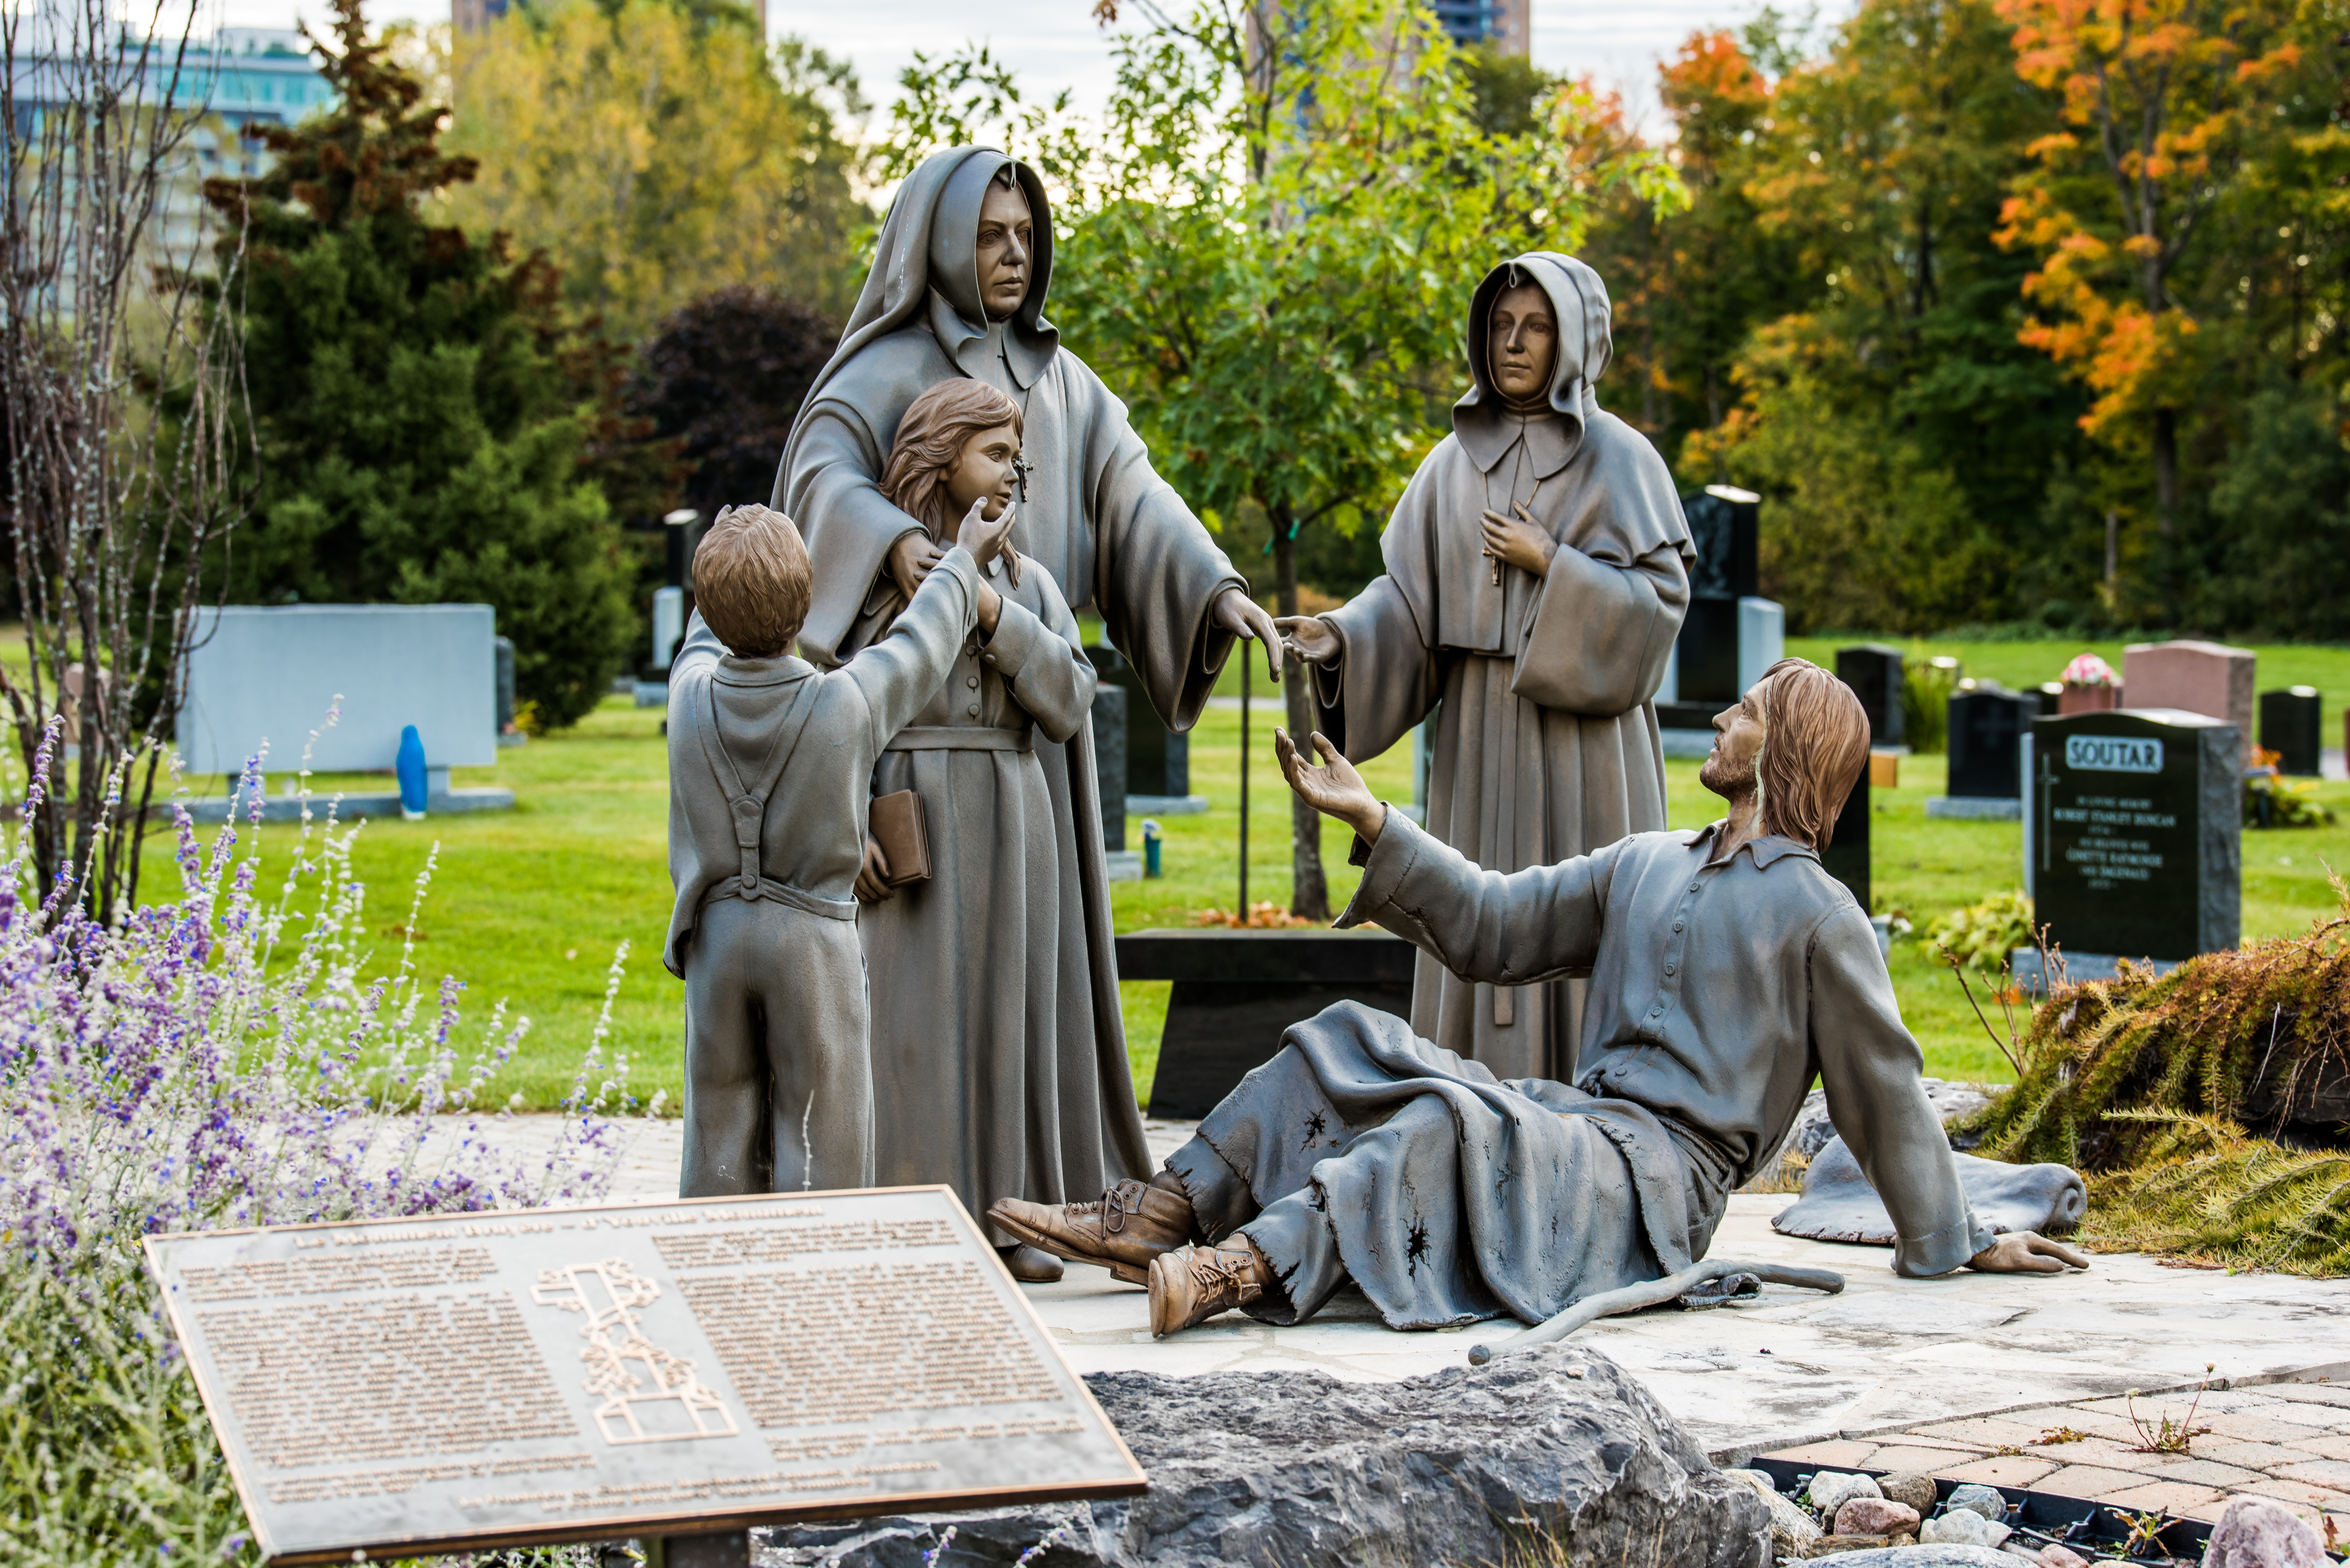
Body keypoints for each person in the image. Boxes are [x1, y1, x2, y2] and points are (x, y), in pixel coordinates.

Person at [991, 659, 2088, 1337]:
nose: (1724, 721)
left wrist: (1947, 1236)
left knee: (1443, 1122)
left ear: (1789, 747)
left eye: (1748, 711)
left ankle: (1243, 1268)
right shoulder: (1647, 862)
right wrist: (1376, 823)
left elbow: (1883, 1093)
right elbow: (1497, 923)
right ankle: (1164, 1214)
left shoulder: (1822, 918)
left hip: (1658, 1188)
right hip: (1580, 1129)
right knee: (1344, 1036)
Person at [778, 146, 1283, 1206]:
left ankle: (1031, 1183)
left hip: (1031, 755)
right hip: (911, 731)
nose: (1014, 256)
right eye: (990, 235)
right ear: (941, 243)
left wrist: (1214, 590)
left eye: (1026, 235)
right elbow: (817, 473)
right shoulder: (882, 370)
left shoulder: (1062, 380)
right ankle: (917, 1185)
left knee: (1024, 980)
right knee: (924, 995)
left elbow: (1132, 492)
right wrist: (891, 541)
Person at [1276, 253, 1694, 1085]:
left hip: (1585, 752)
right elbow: (1411, 603)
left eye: (1535, 327)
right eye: (1501, 327)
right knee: (1469, 898)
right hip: (1478, 734)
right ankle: (1469, 1111)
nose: (1513, 343)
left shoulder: (1624, 461)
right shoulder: (1453, 463)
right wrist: (1344, 636)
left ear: (1575, 338)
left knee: (1587, 916)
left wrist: (1554, 562)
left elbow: (1657, 607)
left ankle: (1592, 1112)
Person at [663, 500, 1014, 1197]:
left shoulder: (687, 699)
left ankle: (711, 1272)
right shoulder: (845, 703)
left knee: (718, 1131)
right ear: (806, 605)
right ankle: (817, 1270)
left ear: (707, 603)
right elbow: (919, 643)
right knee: (824, 1132)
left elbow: (699, 641)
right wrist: (962, 558)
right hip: (811, 943)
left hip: (716, 940)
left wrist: (720, 561)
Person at [850, 379, 1107, 1282]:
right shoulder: (883, 589)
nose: (1015, 473)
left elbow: (1072, 699)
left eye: (1020, 457)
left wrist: (994, 611)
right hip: (909, 809)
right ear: (940, 458)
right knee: (909, 1024)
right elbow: (834, 713)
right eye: (996, 453)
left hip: (1009, 813)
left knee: (1007, 1016)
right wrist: (849, 828)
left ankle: (1010, 1220)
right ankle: (912, 1209)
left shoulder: (1027, 584)